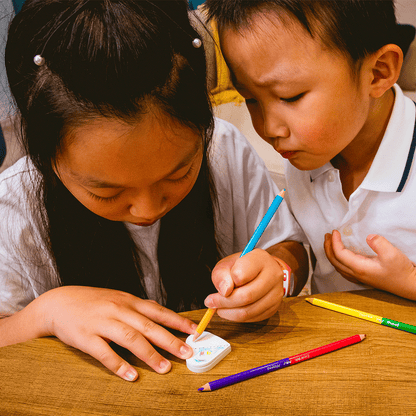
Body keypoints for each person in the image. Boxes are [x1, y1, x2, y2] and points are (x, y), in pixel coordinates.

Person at [0, 0, 308, 381]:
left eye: (178, 173)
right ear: (46, 156)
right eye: (107, 192)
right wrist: (44, 313)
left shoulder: (224, 151)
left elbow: (291, 250)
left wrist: (278, 272)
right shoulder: (14, 208)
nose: (147, 210)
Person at [204, 0, 416, 299]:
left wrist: (408, 280)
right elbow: (306, 252)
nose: (269, 129)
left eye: (290, 96)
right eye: (250, 99)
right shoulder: (307, 154)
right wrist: (278, 270)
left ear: (378, 72)